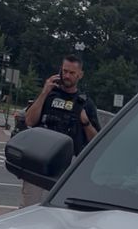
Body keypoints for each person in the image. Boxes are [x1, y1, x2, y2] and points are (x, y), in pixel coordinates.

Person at [19, 54, 100, 208]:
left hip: (66, 169)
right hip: (38, 163)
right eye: (64, 71)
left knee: (59, 214)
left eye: (72, 73)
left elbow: (96, 140)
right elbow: (29, 121)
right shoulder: (49, 95)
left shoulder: (85, 103)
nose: (67, 76)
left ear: (80, 75)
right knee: (28, 210)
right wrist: (44, 93)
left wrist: (85, 121)